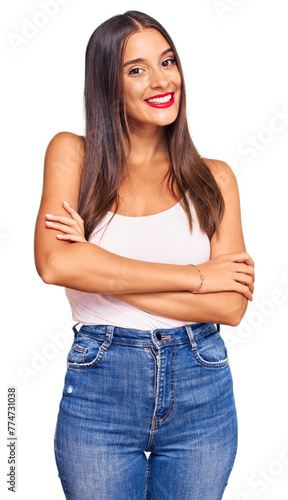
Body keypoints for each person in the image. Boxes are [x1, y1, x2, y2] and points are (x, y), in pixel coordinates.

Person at [34, 10, 255, 500]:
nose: (161, 80)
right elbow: (55, 265)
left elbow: (231, 306)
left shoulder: (214, 178)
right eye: (136, 69)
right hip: (100, 386)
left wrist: (97, 264)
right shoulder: (73, 156)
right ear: (106, 84)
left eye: (168, 61)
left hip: (202, 385)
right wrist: (198, 276)